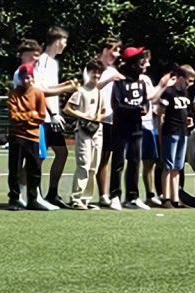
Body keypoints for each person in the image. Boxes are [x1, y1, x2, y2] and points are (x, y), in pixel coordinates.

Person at [33, 28, 76, 209]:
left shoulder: (53, 63)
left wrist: (66, 85)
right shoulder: (42, 61)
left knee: (62, 152)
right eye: (64, 41)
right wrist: (53, 113)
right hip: (44, 118)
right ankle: (32, 193)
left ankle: (52, 193)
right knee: (39, 157)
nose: (65, 45)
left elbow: (50, 88)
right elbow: (40, 89)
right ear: (57, 41)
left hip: (52, 118)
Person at [105, 48, 152, 210]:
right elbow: (116, 105)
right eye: (141, 61)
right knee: (118, 162)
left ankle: (133, 196)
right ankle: (115, 195)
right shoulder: (120, 82)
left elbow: (145, 101)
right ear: (132, 63)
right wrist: (135, 110)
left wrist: (144, 108)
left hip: (136, 128)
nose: (145, 65)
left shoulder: (141, 83)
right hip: (121, 128)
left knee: (135, 162)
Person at [7, 47, 49, 210]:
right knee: (15, 169)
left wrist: (24, 117)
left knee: (35, 169)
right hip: (17, 136)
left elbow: (41, 116)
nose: (26, 80)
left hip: (33, 136)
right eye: (23, 77)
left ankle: (33, 199)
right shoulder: (13, 94)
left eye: (29, 76)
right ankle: (14, 198)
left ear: (32, 77)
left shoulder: (38, 94)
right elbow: (13, 117)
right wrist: (30, 115)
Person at [63, 60, 107, 210]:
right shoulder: (81, 91)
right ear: (88, 72)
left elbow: (104, 111)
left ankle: (86, 199)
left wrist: (98, 118)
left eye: (99, 72)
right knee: (84, 164)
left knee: (94, 166)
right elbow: (67, 109)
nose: (96, 75)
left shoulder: (100, 92)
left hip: (97, 131)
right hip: (83, 130)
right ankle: (76, 198)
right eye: (94, 71)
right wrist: (83, 116)